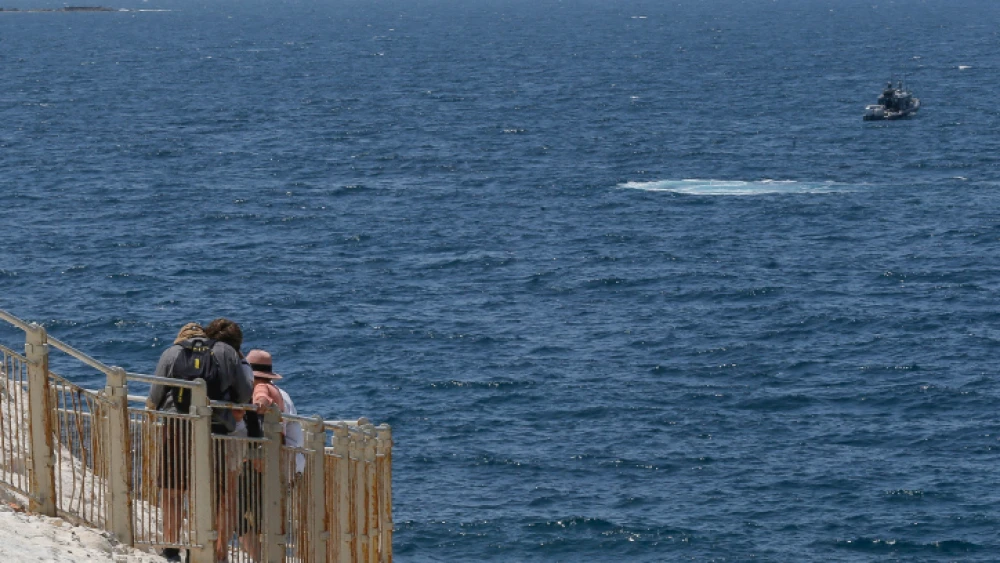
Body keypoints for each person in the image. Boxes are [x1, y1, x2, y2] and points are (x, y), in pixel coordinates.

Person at [147, 322, 253, 563]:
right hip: (216, 431)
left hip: (178, 427)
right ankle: (215, 551)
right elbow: (244, 395)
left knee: (173, 491)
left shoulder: (172, 353)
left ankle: (171, 547)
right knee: (219, 493)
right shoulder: (226, 352)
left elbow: (155, 397)